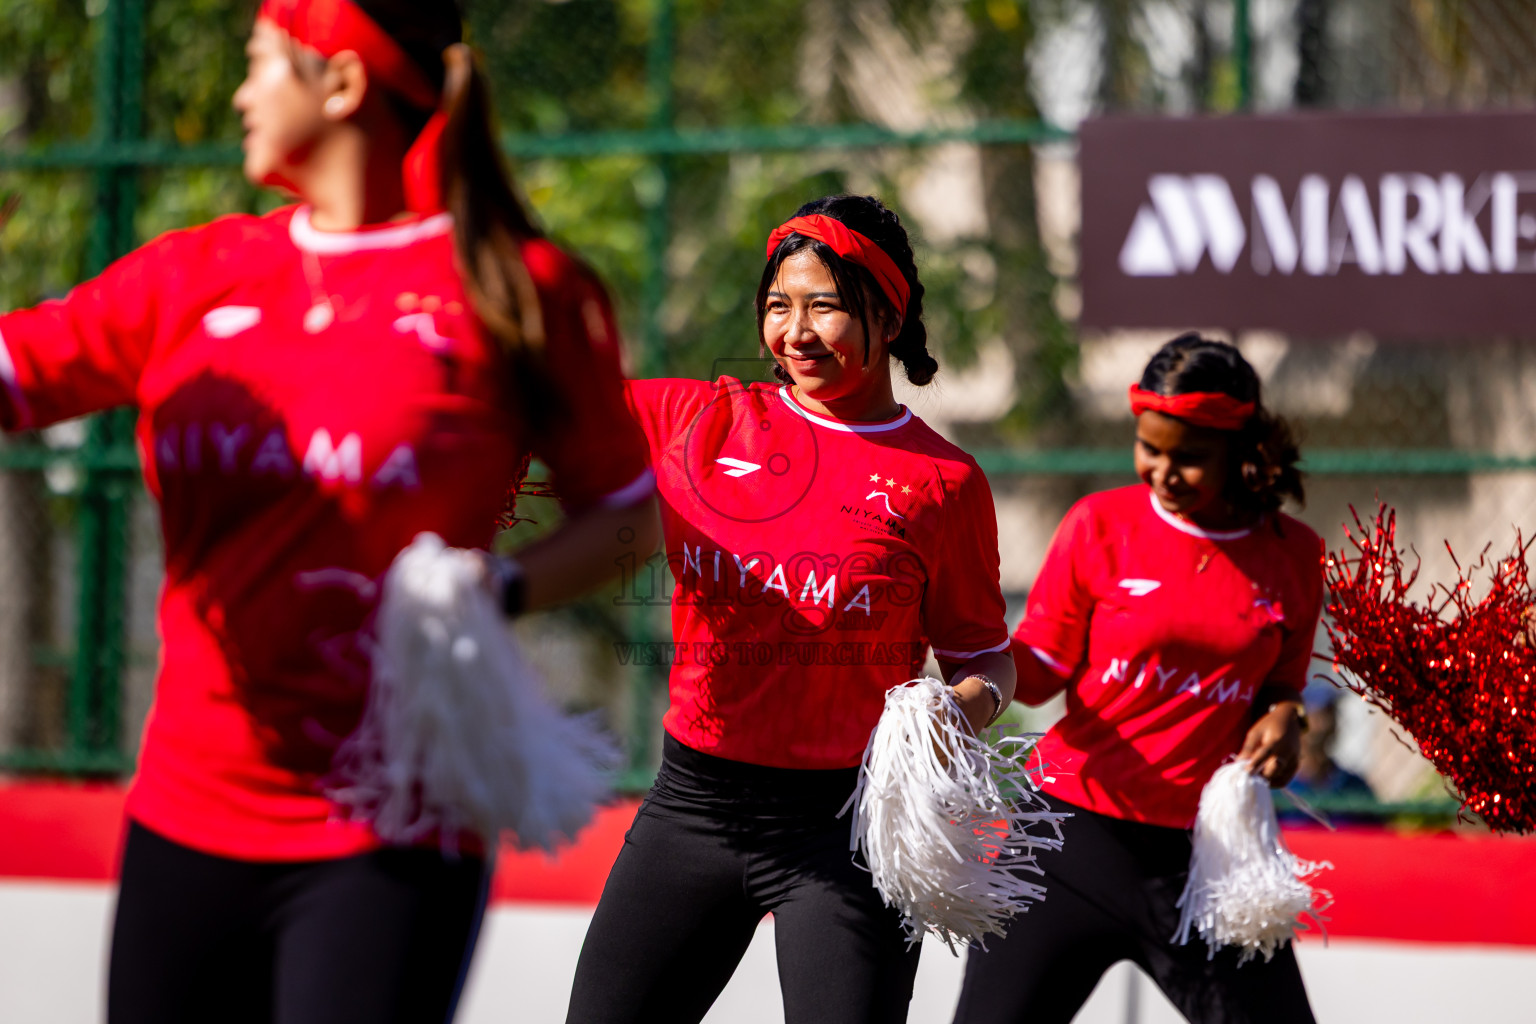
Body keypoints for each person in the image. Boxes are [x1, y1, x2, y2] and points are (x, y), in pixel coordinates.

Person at [0, 2, 658, 1021]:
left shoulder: (520, 289)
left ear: (342, 83)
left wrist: (505, 582)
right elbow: (19, 370)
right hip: (186, 816)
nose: (238, 92)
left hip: (394, 834)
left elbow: (633, 520)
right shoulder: (195, 274)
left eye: (259, 62)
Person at [564, 194, 1015, 1024]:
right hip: (691, 808)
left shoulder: (944, 482)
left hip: (847, 832)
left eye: (824, 307)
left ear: (888, 313)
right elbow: (545, 416)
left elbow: (987, 658)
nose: (795, 333)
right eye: (778, 306)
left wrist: (953, 713)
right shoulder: (697, 419)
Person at [953, 334, 1323, 1024]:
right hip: (1064, 838)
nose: (1161, 470)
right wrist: (975, 680)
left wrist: (1285, 718)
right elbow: (1039, 668)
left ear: (1242, 453)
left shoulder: (1296, 555)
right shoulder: (1100, 523)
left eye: (1189, 458)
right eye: (1149, 448)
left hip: (1205, 861)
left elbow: (1282, 685)